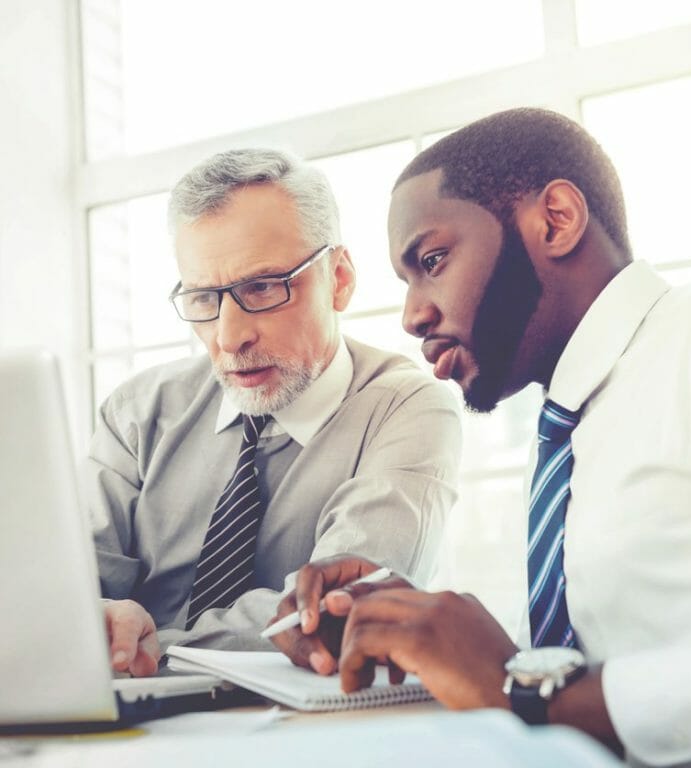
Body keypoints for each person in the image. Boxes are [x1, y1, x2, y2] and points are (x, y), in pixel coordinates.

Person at [269, 109, 691, 767]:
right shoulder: (569, 436)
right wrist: (423, 629)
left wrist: (533, 694)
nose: (414, 315)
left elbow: (548, 697)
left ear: (556, 218)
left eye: (433, 260)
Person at [88, 148, 462, 678]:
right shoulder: (136, 413)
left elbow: (334, 610)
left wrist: (149, 646)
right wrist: (92, 622)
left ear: (339, 279)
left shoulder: (407, 407)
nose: (229, 336)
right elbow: (61, 594)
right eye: (202, 298)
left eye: (262, 287)